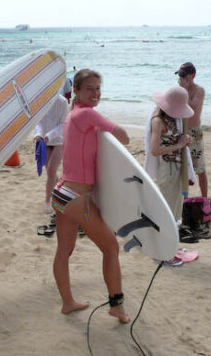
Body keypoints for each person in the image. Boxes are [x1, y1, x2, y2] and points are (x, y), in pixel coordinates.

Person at [52, 69, 131, 323]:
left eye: (98, 88)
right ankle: (116, 306)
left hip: (61, 193)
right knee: (111, 247)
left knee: (64, 250)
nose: (96, 93)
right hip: (77, 198)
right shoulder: (87, 114)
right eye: (89, 88)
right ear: (76, 90)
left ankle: (68, 303)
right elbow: (125, 137)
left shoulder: (71, 114)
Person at [146, 87, 197, 242]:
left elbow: (174, 138)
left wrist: (184, 139)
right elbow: (155, 150)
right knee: (166, 209)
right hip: (168, 168)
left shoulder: (174, 118)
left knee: (175, 207)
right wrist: (179, 145)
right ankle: (161, 246)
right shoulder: (158, 121)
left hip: (177, 167)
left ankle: (169, 243)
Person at [176, 62, 208, 197]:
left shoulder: (199, 90)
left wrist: (183, 91)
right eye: (180, 76)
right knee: (182, 169)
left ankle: (204, 198)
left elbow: (193, 107)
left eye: (184, 75)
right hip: (182, 131)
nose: (182, 78)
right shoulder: (180, 90)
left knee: (200, 169)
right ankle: (184, 199)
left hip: (195, 132)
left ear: (192, 75)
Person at [34, 94, 68, 214]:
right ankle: (60, 187)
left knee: (51, 171)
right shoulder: (40, 100)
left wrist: (50, 135)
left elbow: (63, 124)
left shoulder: (63, 102)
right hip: (44, 141)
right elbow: (38, 121)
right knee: (51, 172)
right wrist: (38, 134)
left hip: (58, 140)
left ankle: (48, 201)